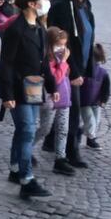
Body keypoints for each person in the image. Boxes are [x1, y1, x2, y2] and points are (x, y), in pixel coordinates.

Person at [0, 0, 56, 198]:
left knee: (24, 130)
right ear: (32, 4)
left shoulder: (39, 28)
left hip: (34, 86)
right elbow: (6, 64)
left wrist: (52, 86)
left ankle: (15, 168)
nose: (45, 1)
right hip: (17, 88)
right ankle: (26, 179)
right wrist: (7, 94)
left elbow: (43, 61)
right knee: (28, 131)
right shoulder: (16, 30)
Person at [46, 0, 99, 169]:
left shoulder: (85, 4)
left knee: (71, 108)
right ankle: (70, 151)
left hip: (82, 63)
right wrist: (74, 70)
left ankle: (52, 142)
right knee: (73, 110)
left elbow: (87, 36)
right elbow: (61, 42)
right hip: (67, 66)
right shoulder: (62, 5)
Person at [35, 27, 75, 176]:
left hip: (64, 96)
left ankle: (60, 158)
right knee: (45, 128)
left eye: (64, 45)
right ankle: (27, 148)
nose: (62, 48)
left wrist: (64, 63)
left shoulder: (59, 56)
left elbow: (66, 74)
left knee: (63, 129)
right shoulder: (48, 60)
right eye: (59, 45)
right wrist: (63, 62)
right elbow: (56, 78)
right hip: (50, 97)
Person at [78, 44, 111, 150]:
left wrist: (104, 100)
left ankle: (81, 134)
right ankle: (90, 138)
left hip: (95, 101)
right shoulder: (85, 71)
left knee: (95, 121)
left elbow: (106, 88)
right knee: (91, 121)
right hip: (84, 102)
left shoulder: (102, 72)